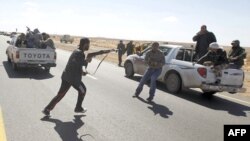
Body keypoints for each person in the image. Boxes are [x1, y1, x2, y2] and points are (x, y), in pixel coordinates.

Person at [42, 38, 112, 116]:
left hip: (67, 76)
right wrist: (84, 70)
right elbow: (80, 65)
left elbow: (83, 60)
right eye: (88, 44)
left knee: (60, 95)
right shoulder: (80, 54)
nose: (89, 46)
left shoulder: (77, 51)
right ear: (85, 44)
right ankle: (78, 108)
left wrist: (103, 52)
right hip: (72, 78)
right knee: (82, 90)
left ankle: (47, 109)